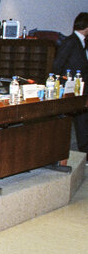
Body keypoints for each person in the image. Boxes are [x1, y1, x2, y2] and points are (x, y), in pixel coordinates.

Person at [53, 12, 88, 152]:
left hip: (81, 88)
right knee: (79, 121)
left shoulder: (81, 42)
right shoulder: (70, 41)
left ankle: (84, 150)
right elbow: (57, 65)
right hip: (71, 89)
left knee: (83, 120)